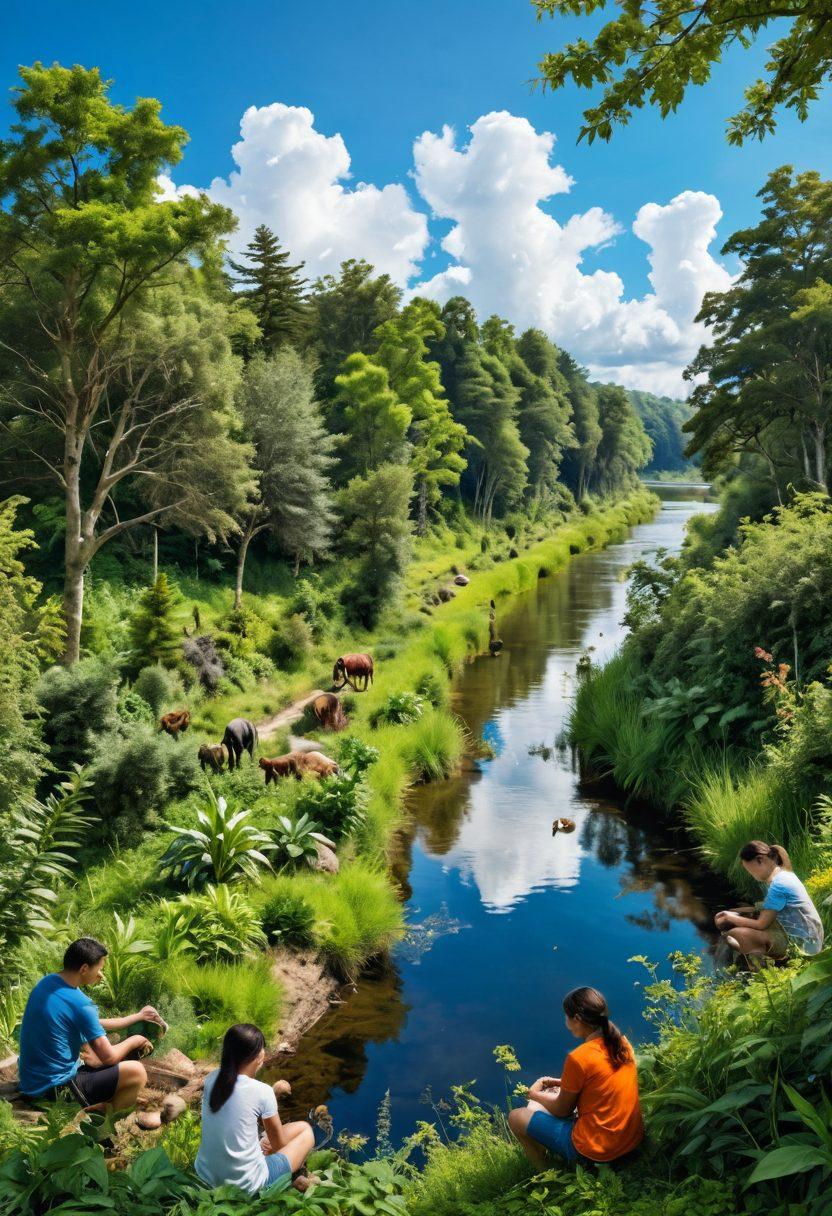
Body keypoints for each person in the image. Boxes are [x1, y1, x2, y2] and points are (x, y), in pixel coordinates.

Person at [508, 986, 643, 1168]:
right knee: (554, 1092)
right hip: (631, 1141)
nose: (566, 1022)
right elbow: (601, 1081)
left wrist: (532, 1094)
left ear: (577, 1019)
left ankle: (546, 1171)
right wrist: (561, 1083)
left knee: (517, 1116)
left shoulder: (579, 1058)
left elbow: (562, 1110)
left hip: (596, 1152)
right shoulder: (622, 1043)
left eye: (567, 1017)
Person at [18, 937, 158, 1109]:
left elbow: (92, 1024)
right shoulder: (81, 1004)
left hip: (31, 1083)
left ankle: (107, 1103)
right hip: (56, 1090)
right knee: (137, 1072)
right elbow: (109, 1058)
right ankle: (105, 1126)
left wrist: (137, 1016)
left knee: (100, 1063)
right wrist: (137, 1039)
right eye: (99, 968)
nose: (100, 975)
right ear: (84, 968)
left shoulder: (47, 984)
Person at [195, 1024, 315, 1195]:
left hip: (205, 1175)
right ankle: (292, 1180)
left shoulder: (211, 1078)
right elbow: (279, 1144)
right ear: (258, 1055)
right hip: (246, 1187)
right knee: (306, 1131)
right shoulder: (263, 1091)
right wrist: (271, 1146)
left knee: (273, 1136)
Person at [715, 841, 824, 963]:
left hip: (806, 946)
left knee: (736, 934)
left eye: (750, 870)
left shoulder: (778, 886)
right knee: (745, 919)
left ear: (760, 860)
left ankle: (762, 968)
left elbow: (761, 924)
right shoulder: (783, 875)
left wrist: (729, 917)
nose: (751, 875)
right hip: (811, 938)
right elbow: (769, 909)